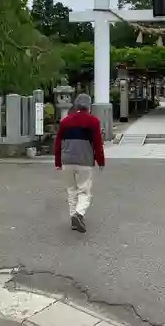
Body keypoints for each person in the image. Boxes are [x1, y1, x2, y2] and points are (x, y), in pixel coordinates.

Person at [54, 94, 105, 233]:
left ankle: (73, 218)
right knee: (84, 190)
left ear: (76, 106)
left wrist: (58, 161)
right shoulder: (93, 121)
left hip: (67, 160)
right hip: (85, 161)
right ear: (89, 107)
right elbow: (97, 143)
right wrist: (100, 160)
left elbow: (58, 143)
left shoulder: (65, 121)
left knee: (71, 190)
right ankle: (79, 213)